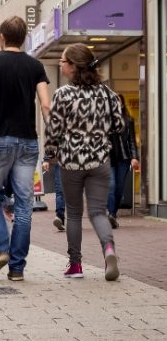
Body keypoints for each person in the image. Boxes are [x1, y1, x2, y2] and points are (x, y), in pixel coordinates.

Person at [0, 16, 50, 282]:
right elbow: (46, 105)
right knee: (24, 204)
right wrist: (51, 139)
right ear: (25, 38)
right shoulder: (36, 66)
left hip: (0, 140)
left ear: (2, 37)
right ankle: (17, 268)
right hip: (28, 141)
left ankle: (1, 248)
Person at [43, 44, 124, 280]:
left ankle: (76, 266)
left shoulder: (63, 94)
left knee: (75, 213)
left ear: (73, 67)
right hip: (100, 161)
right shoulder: (108, 94)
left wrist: (50, 152)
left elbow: (54, 131)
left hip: (71, 163)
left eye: (63, 61)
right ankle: (109, 250)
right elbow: (119, 125)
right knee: (98, 212)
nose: (60, 64)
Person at [108, 93, 140, 229]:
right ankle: (111, 214)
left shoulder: (128, 120)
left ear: (121, 104)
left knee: (119, 188)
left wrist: (134, 157)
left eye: (118, 102)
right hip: (108, 159)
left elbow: (132, 141)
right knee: (111, 186)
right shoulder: (104, 121)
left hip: (124, 159)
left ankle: (112, 214)